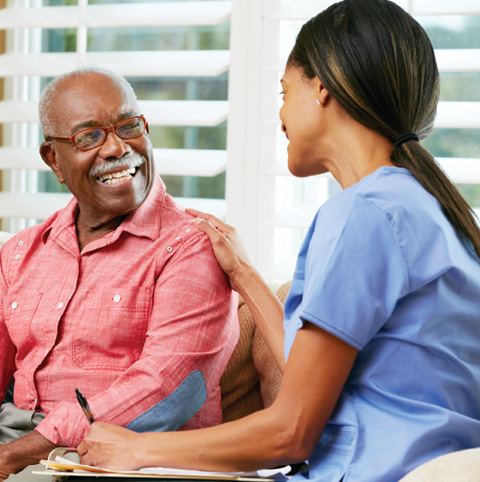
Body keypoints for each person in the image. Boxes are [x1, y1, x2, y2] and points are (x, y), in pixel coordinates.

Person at [77, 1, 480, 481]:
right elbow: (313, 380)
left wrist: (137, 448)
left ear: (322, 87)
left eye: (284, 91)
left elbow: (292, 431)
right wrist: (244, 274)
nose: (281, 114)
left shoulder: (362, 215)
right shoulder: (438, 212)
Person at [0, 67, 239, 480]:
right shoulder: (21, 251)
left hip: (119, 461)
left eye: (128, 126)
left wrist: (17, 454)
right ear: (53, 159)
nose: (115, 148)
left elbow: (166, 390)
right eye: (89, 136)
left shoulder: (191, 247)